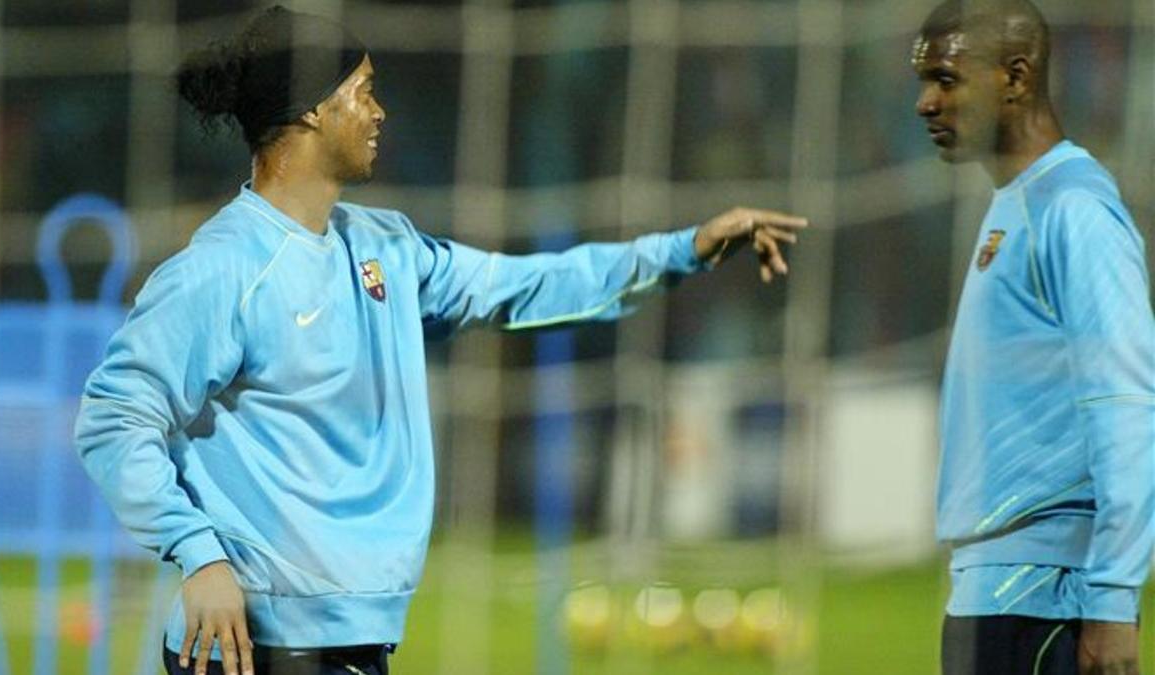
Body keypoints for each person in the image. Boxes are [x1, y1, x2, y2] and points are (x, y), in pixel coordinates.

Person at [73, 6, 807, 675]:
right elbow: (114, 416)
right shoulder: (224, 267)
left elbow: (526, 285)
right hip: (255, 645)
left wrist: (685, 248)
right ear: (310, 110)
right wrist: (198, 556)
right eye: (363, 91)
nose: (379, 111)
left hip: (356, 637)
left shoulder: (385, 247)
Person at [912, 1, 1155, 673]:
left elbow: (1127, 408)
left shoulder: (1076, 210)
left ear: (1015, 77)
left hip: (1048, 599)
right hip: (994, 591)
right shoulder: (1016, 202)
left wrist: (1110, 599)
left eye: (946, 79)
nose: (925, 103)